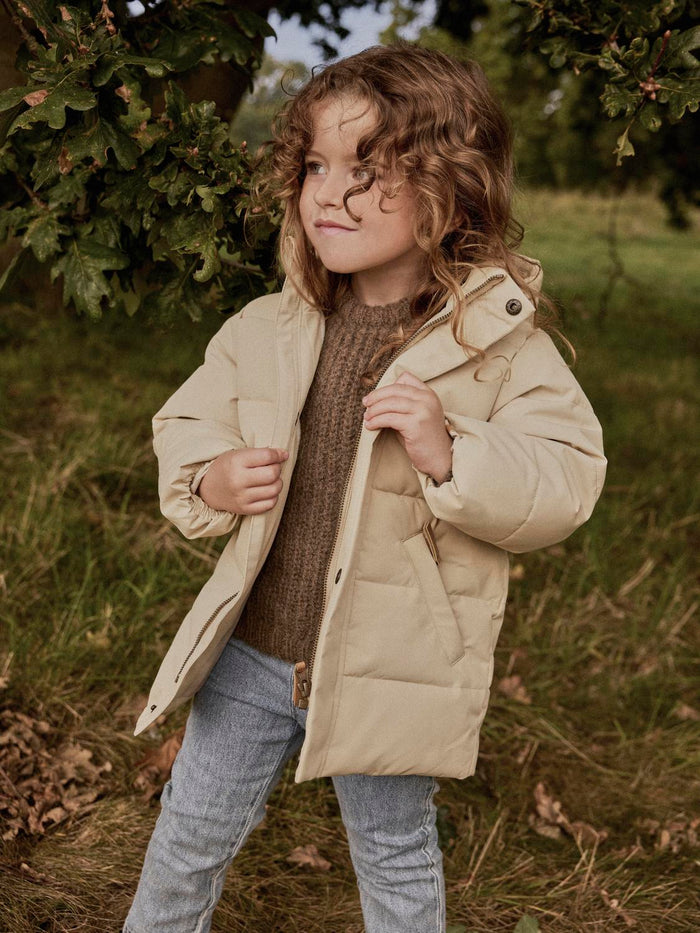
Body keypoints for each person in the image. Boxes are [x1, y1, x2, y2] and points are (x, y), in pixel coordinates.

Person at [124, 44, 606, 933]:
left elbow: (567, 476)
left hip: (394, 661)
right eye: (316, 165)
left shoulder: (496, 349)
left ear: (451, 188)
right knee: (189, 828)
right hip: (256, 647)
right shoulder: (270, 326)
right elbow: (187, 420)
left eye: (369, 171)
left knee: (392, 850)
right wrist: (210, 475)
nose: (329, 195)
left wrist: (451, 449)